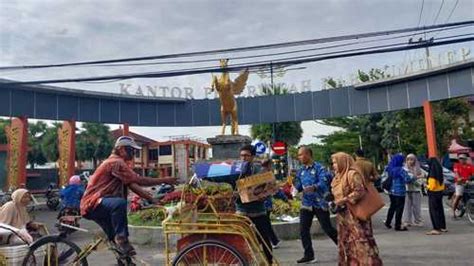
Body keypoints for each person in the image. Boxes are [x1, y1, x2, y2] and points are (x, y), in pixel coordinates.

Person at [80, 136, 177, 256]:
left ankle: (123, 256)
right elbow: (139, 180)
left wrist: (152, 200)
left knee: (116, 244)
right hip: (93, 203)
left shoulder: (119, 164)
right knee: (119, 205)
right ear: (121, 149)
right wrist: (165, 180)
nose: (134, 153)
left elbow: (131, 184)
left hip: (100, 204)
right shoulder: (116, 162)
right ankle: (122, 239)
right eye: (131, 150)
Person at [204, 145, 274, 264]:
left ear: (252, 157)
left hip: (259, 211)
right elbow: (219, 176)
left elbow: (269, 188)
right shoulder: (235, 171)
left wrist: (263, 195)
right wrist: (204, 174)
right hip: (241, 212)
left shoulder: (259, 171)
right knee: (240, 240)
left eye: (246, 156)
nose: (243, 158)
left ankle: (269, 262)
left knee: (264, 240)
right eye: (242, 156)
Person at [331, 152, 382, 266]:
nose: (333, 165)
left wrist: (344, 199)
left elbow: (360, 191)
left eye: (335, 162)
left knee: (360, 240)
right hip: (343, 215)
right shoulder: (338, 177)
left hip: (355, 214)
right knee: (346, 242)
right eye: (333, 162)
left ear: (343, 162)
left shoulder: (352, 174)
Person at [294, 146, 337, 264]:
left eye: (301, 154)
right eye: (298, 155)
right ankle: (309, 255)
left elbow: (324, 182)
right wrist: (295, 189)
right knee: (303, 230)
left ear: (308, 154)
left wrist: (314, 187)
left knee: (328, 228)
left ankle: (344, 248)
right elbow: (298, 182)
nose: (299, 157)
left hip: (319, 203)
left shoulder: (320, 168)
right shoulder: (301, 170)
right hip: (306, 203)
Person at [384, 154, 413, 231]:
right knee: (399, 209)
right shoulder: (401, 170)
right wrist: (414, 177)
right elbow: (408, 179)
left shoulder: (388, 169)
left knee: (392, 207)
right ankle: (397, 225)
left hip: (391, 191)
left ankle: (388, 222)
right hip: (400, 192)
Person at [262, 159, 283, 249]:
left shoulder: (260, 175)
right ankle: (274, 241)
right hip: (265, 204)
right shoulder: (267, 176)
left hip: (263, 204)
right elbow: (276, 190)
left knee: (266, 224)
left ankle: (274, 241)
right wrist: (285, 198)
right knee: (266, 224)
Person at [403, 154, 425, 227]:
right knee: (407, 206)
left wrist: (418, 180)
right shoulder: (404, 169)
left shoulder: (418, 168)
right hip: (407, 189)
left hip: (416, 189)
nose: (410, 161)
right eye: (408, 159)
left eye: (411, 159)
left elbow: (424, 177)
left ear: (415, 160)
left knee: (416, 206)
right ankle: (407, 221)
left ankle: (418, 220)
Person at [426, 158, 447, 235]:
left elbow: (432, 186)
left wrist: (426, 186)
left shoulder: (432, 172)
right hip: (440, 192)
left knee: (433, 211)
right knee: (440, 210)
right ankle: (442, 227)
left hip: (433, 193)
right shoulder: (439, 171)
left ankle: (436, 228)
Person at [452, 153, 474, 219]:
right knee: (458, 196)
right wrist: (459, 178)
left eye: (463, 159)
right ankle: (453, 213)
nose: (461, 160)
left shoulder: (470, 166)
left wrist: (471, 178)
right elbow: (456, 174)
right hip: (459, 183)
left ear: (466, 159)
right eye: (460, 159)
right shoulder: (456, 165)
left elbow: (473, 174)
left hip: (468, 182)